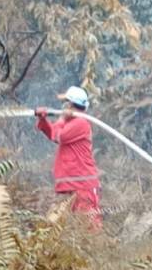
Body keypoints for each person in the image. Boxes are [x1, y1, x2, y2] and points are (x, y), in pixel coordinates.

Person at [35, 86, 102, 231]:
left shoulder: (81, 123)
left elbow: (60, 136)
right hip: (72, 186)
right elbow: (53, 132)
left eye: (66, 103)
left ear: (71, 104)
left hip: (83, 186)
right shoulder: (70, 122)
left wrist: (62, 118)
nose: (63, 106)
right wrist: (43, 119)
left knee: (89, 229)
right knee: (72, 230)